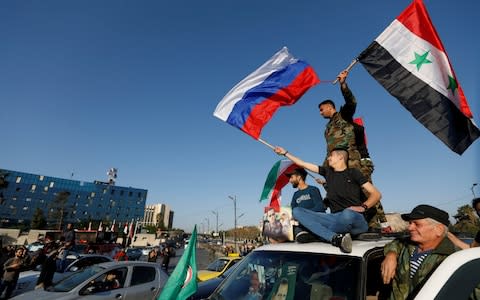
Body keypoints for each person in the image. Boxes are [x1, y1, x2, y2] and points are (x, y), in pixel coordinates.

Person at [273, 146, 381, 253]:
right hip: (334, 219)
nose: (328, 158)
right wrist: (285, 153)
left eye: (331, 156)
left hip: (354, 218)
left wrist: (363, 207)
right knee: (297, 211)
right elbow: (303, 164)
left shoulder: (353, 173)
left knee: (347, 214)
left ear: (340, 157)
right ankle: (334, 238)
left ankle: (319, 235)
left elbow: (376, 194)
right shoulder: (328, 172)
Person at [319, 70, 389, 231]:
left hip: (353, 160)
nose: (320, 112)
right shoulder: (328, 127)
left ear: (330, 107)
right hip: (338, 165)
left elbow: (351, 102)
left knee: (366, 190)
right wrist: (325, 169)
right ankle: (347, 223)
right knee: (340, 192)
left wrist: (343, 84)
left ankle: (380, 225)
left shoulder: (343, 117)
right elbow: (330, 150)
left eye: (322, 109)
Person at [381, 204, 457, 299]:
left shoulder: (454, 258)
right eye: (410, 223)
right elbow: (396, 243)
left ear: (439, 229)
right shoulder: (406, 245)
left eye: (417, 224)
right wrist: (391, 255)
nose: (409, 228)